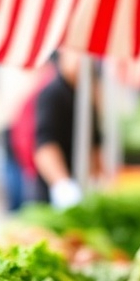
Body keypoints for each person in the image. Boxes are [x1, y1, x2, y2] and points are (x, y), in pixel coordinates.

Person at [32, 49, 103, 209]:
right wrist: (63, 185)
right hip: (52, 199)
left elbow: (95, 144)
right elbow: (45, 146)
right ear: (63, 54)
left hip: (82, 190)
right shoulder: (52, 94)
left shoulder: (86, 96)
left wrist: (99, 180)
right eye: (77, 53)